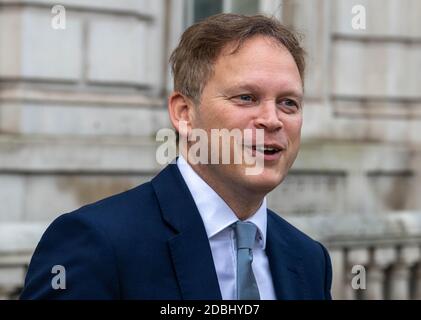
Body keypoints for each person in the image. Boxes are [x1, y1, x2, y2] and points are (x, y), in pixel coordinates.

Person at [20, 13, 332, 300]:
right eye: (246, 97)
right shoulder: (96, 244)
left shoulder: (310, 260)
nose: (273, 119)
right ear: (184, 113)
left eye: (288, 103)